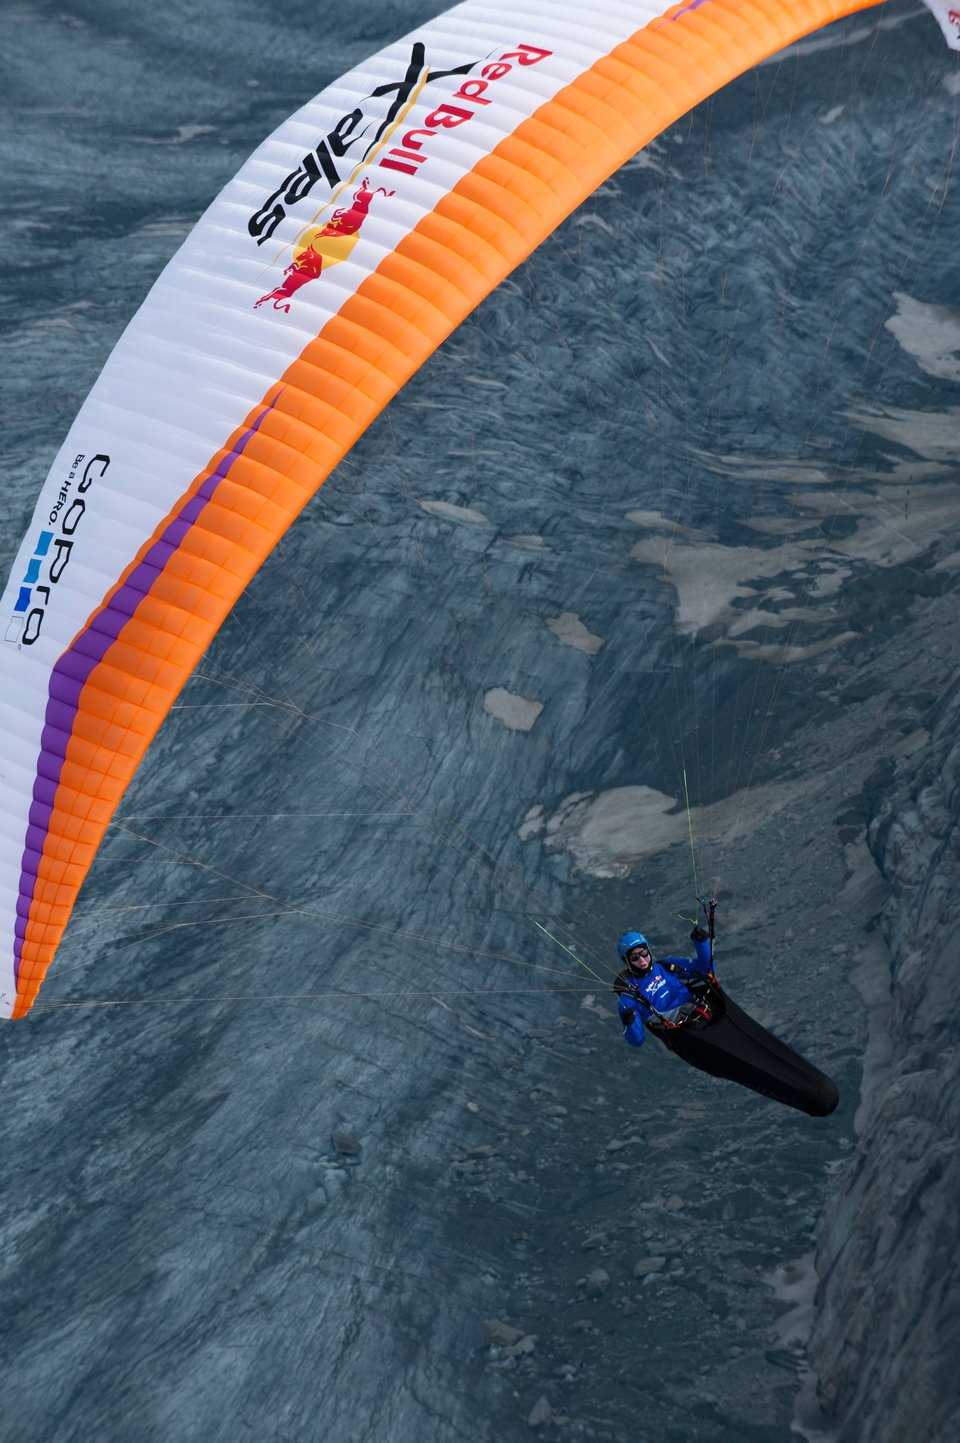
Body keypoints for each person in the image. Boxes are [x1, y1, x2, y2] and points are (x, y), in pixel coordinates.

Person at [613, 926, 715, 1046]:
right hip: (683, 1033)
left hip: (703, 1011)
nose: (642, 960)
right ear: (627, 962)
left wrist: (701, 942)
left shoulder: (665, 966)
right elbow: (638, 1041)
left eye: (644, 953)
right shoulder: (628, 997)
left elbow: (705, 970)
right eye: (635, 958)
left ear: (649, 951)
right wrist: (629, 1022)